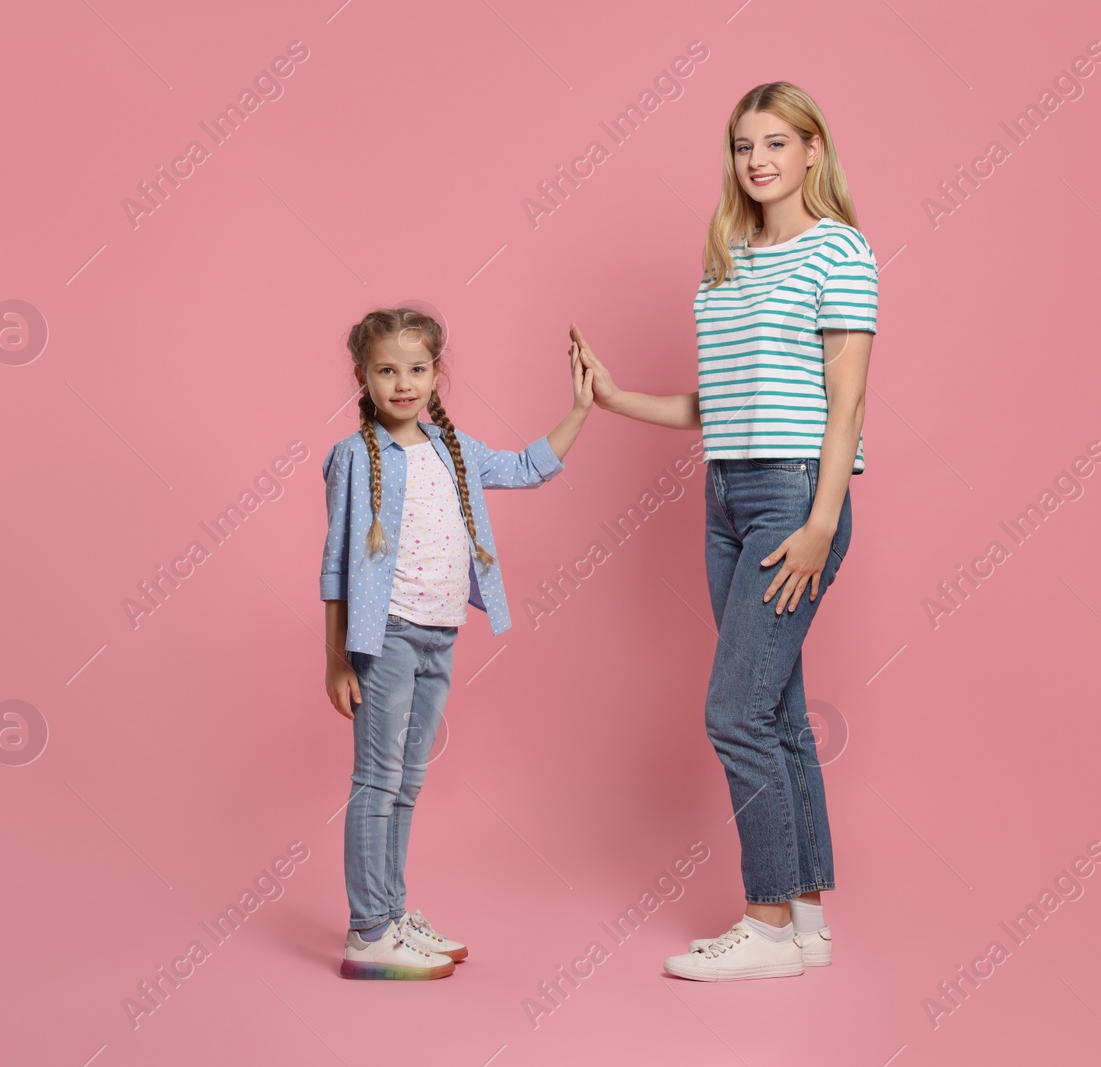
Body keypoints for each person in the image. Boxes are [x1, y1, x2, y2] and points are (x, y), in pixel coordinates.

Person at [573, 81, 879, 981]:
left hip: (792, 498)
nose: (759, 161)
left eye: (777, 143)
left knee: (733, 712)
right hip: (724, 494)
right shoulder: (731, 258)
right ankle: (810, 922)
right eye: (745, 146)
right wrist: (615, 395)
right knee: (777, 715)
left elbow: (847, 397)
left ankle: (766, 923)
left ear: (813, 150)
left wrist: (823, 520)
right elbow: (724, 400)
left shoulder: (841, 251)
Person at [321, 305, 592, 979]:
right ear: (363, 376)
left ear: (437, 373)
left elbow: (529, 466)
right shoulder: (354, 457)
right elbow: (334, 564)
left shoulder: (455, 448)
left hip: (441, 635)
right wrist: (334, 658)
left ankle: (391, 911)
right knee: (376, 779)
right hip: (385, 639)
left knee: (407, 781)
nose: (403, 383)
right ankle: (367, 931)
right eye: (387, 370)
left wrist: (583, 407)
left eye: (417, 368)